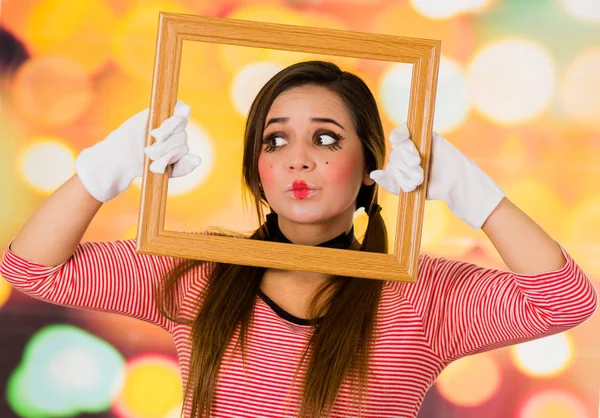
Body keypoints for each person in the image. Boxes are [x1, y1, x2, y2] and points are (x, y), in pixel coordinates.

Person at [1, 61, 596, 418]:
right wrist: (106, 166)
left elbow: (567, 299)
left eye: (329, 139)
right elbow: (30, 268)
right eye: (276, 141)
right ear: (255, 165)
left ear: (371, 167)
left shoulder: (421, 295)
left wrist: (478, 196)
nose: (298, 162)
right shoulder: (199, 272)